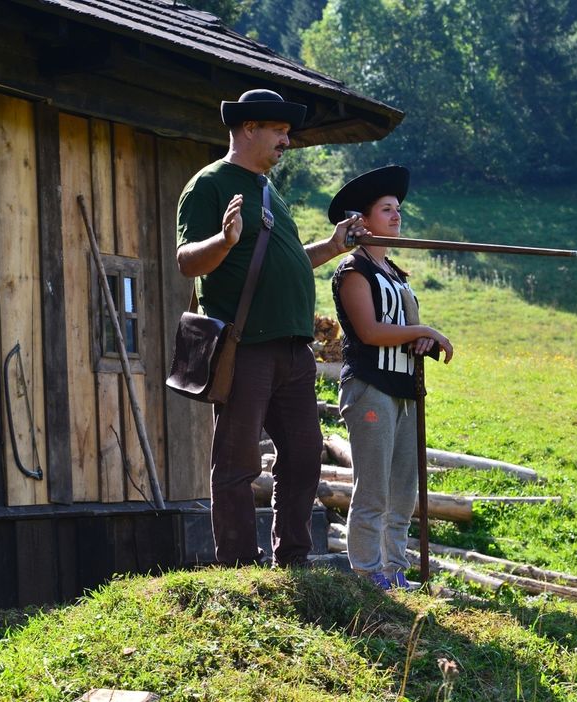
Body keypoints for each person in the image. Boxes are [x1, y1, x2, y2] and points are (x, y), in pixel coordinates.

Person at [176, 89, 359, 568]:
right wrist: (223, 239)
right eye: (278, 130)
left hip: (294, 352)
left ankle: (293, 559)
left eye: (287, 132)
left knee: (302, 457)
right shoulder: (209, 184)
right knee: (237, 463)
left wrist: (335, 246)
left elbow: (292, 260)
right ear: (248, 128)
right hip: (246, 346)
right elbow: (186, 260)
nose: (286, 140)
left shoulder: (267, 191)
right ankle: (238, 565)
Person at [329, 165, 453, 590]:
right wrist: (424, 332)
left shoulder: (396, 274)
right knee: (374, 489)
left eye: (397, 209)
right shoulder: (353, 271)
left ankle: (394, 570)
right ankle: (367, 572)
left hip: (404, 392)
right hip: (370, 389)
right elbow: (370, 332)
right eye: (386, 209)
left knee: (402, 490)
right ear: (363, 221)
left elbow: (402, 331)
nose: (397, 216)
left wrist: (422, 343)